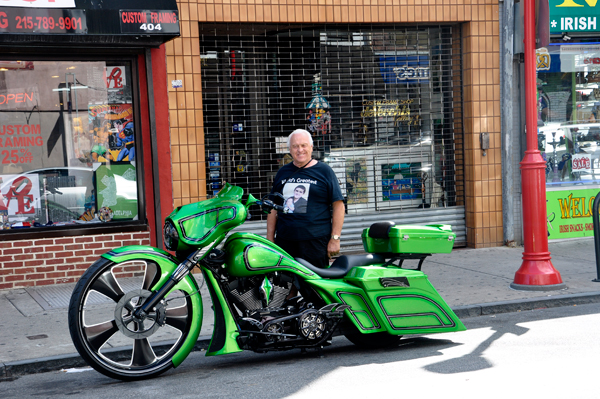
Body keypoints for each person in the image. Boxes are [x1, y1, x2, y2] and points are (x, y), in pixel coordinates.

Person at [267, 129, 344, 268]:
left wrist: (335, 238)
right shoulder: (282, 172)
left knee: (313, 287)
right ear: (289, 149)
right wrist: (270, 239)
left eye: (303, 145)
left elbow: (339, 205)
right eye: (295, 146)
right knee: (284, 286)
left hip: (315, 242)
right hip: (285, 241)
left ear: (311, 147)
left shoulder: (324, 171)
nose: (300, 150)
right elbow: (273, 208)